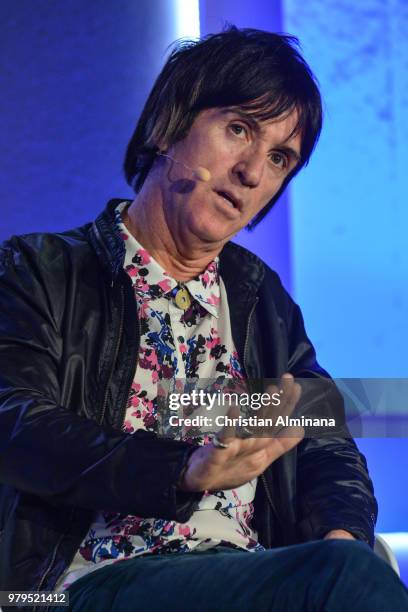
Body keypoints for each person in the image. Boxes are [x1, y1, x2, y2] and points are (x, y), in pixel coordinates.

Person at [0, 26, 407, 612]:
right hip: (73, 586)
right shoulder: (43, 270)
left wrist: (339, 544)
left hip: (245, 576)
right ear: (169, 123)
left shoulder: (257, 300)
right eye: (239, 129)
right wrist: (182, 470)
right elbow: (18, 425)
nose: (252, 172)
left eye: (279, 158)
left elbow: (325, 444)